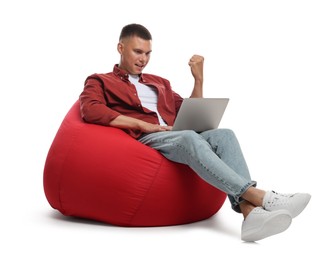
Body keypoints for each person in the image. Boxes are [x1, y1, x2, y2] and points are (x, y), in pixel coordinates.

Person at [79, 23, 311, 242]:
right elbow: (90, 110)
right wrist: (143, 125)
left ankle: (249, 215)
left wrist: (198, 79)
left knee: (224, 135)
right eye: (138, 52)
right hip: (147, 139)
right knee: (189, 137)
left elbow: (189, 111)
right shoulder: (101, 80)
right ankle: (262, 197)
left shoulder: (160, 83)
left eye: (148, 53)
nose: (143, 59)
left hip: (174, 134)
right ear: (121, 48)